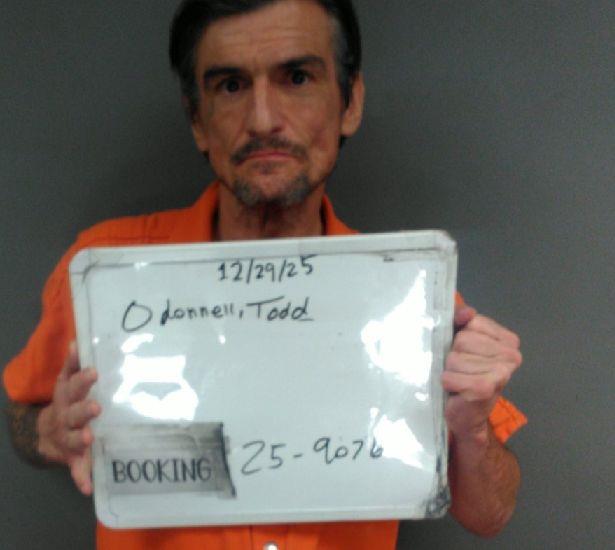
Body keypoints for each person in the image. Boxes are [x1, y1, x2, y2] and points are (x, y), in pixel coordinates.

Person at [4, 1, 526, 548]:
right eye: (230, 86)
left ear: (350, 104)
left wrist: (471, 429)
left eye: (296, 78)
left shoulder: (412, 296)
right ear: (197, 120)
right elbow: (23, 412)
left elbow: (490, 514)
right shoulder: (106, 271)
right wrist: (48, 433)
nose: (262, 120)